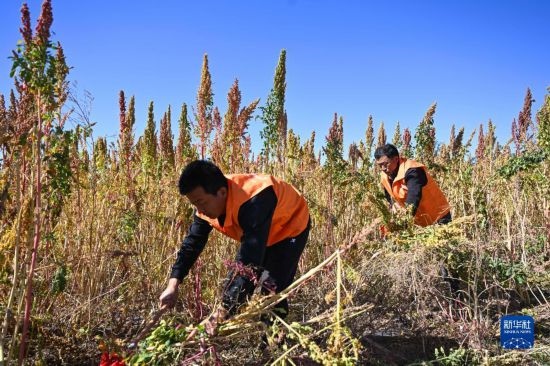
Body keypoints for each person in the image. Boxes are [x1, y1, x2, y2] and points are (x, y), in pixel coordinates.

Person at [159, 160, 311, 328]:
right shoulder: (205, 206)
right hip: (262, 230)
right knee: (249, 284)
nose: (199, 210)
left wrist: (223, 310)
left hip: (290, 226)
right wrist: (173, 283)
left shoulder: (254, 200)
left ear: (222, 192)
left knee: (272, 290)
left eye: (201, 202)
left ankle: (274, 344)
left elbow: (248, 260)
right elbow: (191, 244)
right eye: (194, 204)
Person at [374, 144, 451, 226]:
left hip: (438, 217)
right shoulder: (385, 175)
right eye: (380, 165)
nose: (383, 168)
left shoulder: (413, 170)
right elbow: (389, 193)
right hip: (418, 220)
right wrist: (394, 204)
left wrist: (404, 222)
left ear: (396, 159)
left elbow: (414, 196)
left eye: (385, 164)